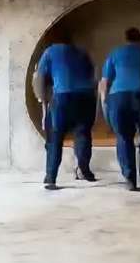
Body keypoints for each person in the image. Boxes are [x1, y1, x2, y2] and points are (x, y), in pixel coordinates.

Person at [100, 27, 140, 191]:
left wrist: (105, 103)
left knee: (123, 137)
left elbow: (104, 83)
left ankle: (129, 179)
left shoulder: (114, 54)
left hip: (118, 99)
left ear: (126, 39)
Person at [36, 32, 97, 190]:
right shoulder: (82, 53)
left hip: (63, 96)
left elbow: (40, 80)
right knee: (83, 134)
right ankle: (84, 170)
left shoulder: (50, 52)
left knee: (55, 137)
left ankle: (51, 178)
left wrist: (43, 106)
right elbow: (91, 75)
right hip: (87, 97)